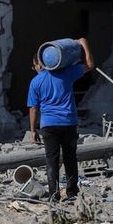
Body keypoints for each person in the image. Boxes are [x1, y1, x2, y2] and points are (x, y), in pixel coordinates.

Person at [27, 38, 94, 202]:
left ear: (40, 64)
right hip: (68, 123)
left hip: (49, 126)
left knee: (52, 161)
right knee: (70, 158)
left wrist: (33, 130)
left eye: (34, 66)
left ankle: (54, 194)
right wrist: (84, 43)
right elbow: (90, 65)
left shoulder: (35, 82)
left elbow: (33, 108)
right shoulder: (66, 74)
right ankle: (72, 193)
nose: (34, 69)